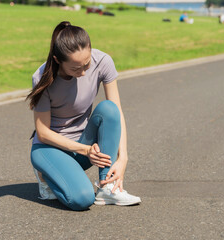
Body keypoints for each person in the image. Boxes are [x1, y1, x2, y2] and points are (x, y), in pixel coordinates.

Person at [26, 21, 141, 211]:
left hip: (84, 147)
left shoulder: (103, 61)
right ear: (57, 60)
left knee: (109, 108)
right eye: (75, 68)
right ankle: (46, 175)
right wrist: (85, 150)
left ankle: (107, 187)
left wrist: (123, 159)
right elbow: (43, 133)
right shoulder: (42, 77)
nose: (83, 72)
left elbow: (116, 112)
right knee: (82, 200)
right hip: (50, 148)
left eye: (86, 64)